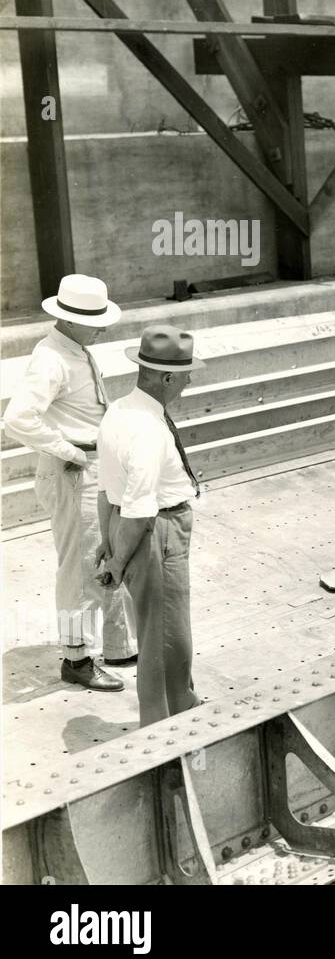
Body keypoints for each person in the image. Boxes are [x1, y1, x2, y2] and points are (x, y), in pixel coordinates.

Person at [3, 275, 137, 692]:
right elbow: (17, 419)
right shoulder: (51, 359)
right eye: (95, 320)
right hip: (74, 471)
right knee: (78, 570)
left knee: (106, 555)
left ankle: (116, 644)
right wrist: (71, 452)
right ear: (71, 320)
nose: (101, 327)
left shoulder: (74, 349)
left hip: (94, 467)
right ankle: (75, 658)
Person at [97, 326, 204, 724]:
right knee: (163, 634)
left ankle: (181, 704)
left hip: (131, 528)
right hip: (155, 532)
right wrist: (117, 561)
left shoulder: (119, 410)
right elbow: (140, 510)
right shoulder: (148, 430)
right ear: (168, 377)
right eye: (187, 373)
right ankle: (162, 725)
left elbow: (108, 489)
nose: (190, 380)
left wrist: (108, 542)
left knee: (164, 629)